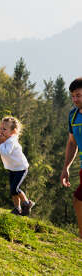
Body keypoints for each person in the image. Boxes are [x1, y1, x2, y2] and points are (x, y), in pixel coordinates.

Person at [0, 116, 35, 216]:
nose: (1, 131)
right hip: (12, 168)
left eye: (4, 129)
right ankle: (17, 208)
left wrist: (0, 143)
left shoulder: (12, 141)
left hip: (21, 168)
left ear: (13, 131)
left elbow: (6, 152)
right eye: (0, 128)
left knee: (15, 188)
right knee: (13, 190)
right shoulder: (2, 138)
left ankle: (27, 203)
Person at [60, 77, 82, 238]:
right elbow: (72, 143)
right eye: (73, 96)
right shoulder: (73, 115)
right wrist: (66, 167)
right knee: (78, 201)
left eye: (79, 95)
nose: (75, 99)